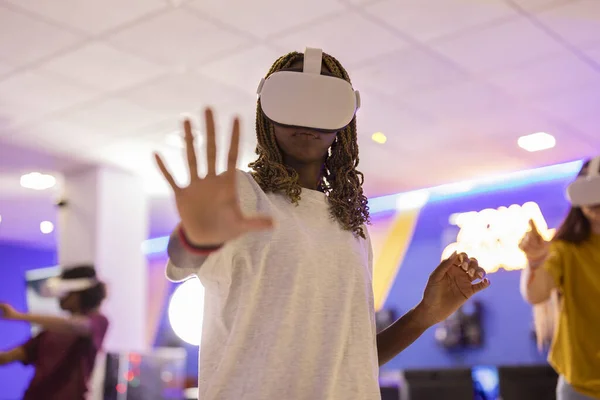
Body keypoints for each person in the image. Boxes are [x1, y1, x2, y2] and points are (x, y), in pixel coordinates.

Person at [155, 47, 490, 400]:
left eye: (324, 102)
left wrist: (425, 315)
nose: (306, 118)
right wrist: (195, 238)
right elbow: (183, 257)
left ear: (344, 120)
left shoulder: (351, 225)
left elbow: (353, 360)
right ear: (267, 110)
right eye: (292, 98)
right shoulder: (241, 193)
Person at [520, 156, 600, 400]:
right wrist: (534, 261)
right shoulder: (565, 248)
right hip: (579, 383)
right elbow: (536, 294)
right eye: (585, 180)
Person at [0, 265, 109, 400]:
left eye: (64, 293)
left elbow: (75, 325)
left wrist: (17, 316)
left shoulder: (98, 322)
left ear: (78, 293)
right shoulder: (50, 331)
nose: (60, 298)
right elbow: (6, 358)